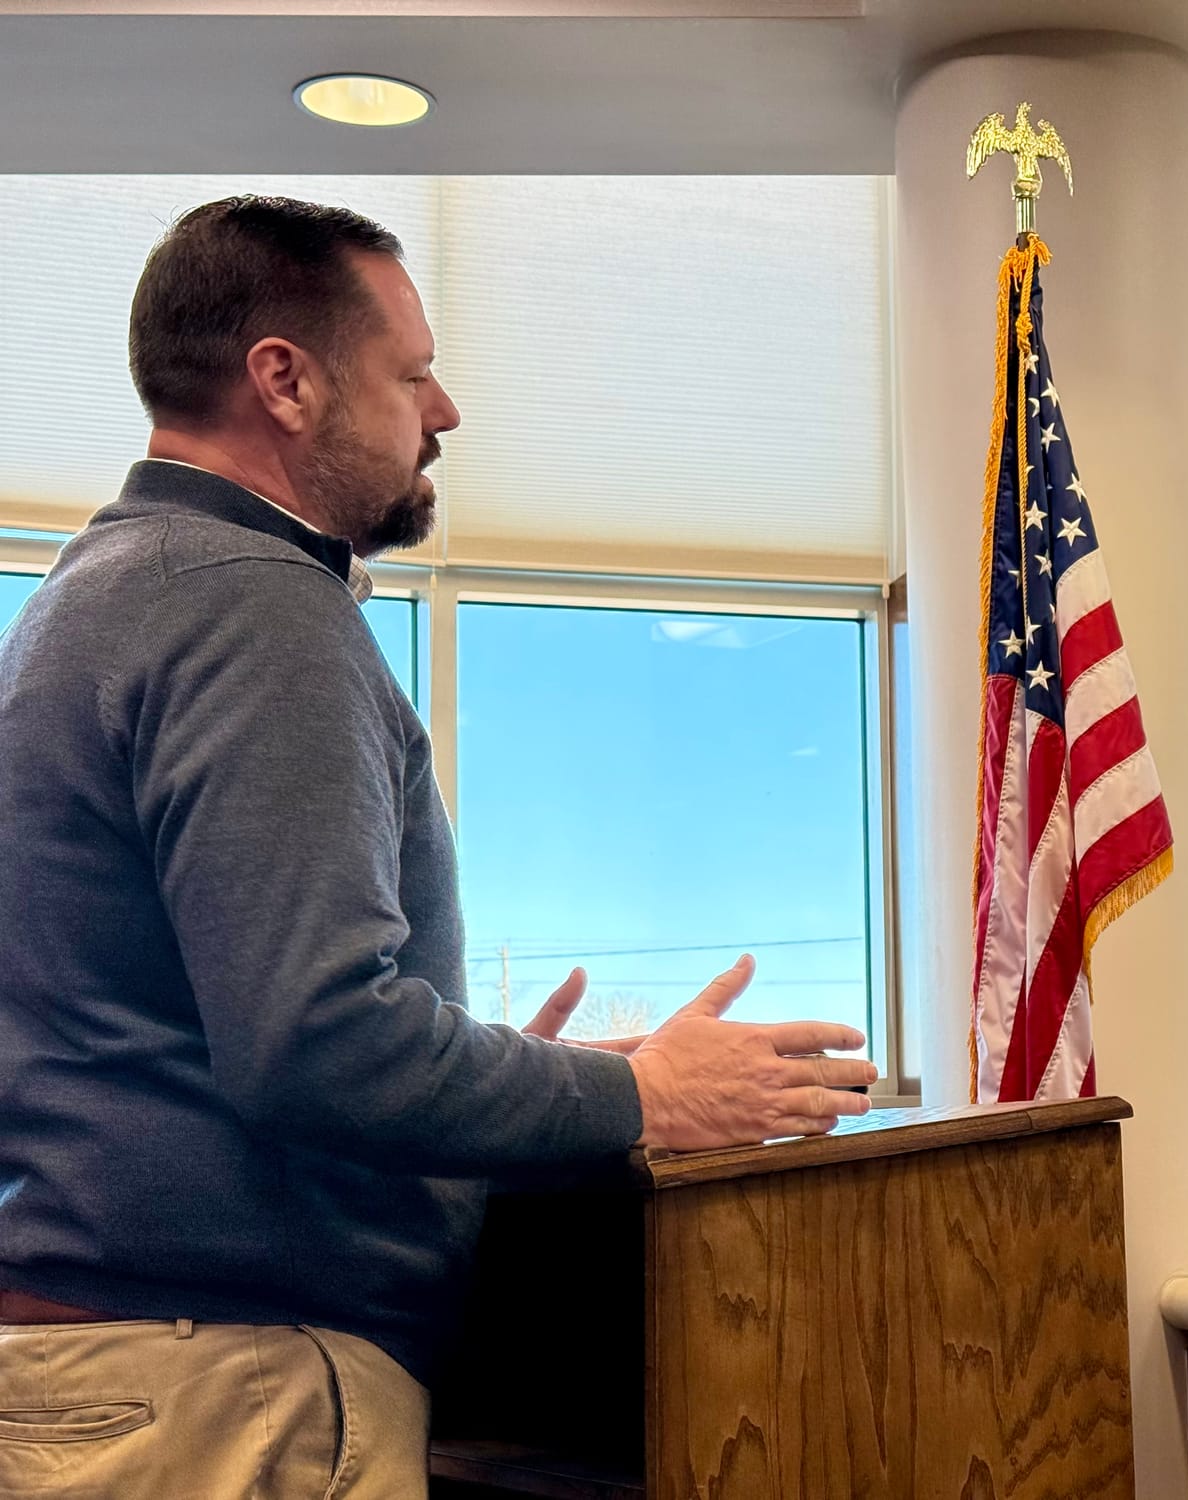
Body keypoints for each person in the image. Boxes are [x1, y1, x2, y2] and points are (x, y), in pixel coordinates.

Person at [0, 196, 877, 1497]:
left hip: (125, 1376)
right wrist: (646, 1096)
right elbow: (318, 1044)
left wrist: (523, 1071)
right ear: (285, 380)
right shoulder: (253, 606)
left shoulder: (102, 591)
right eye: (411, 374)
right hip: (228, 1397)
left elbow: (190, 1022)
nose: (448, 409)